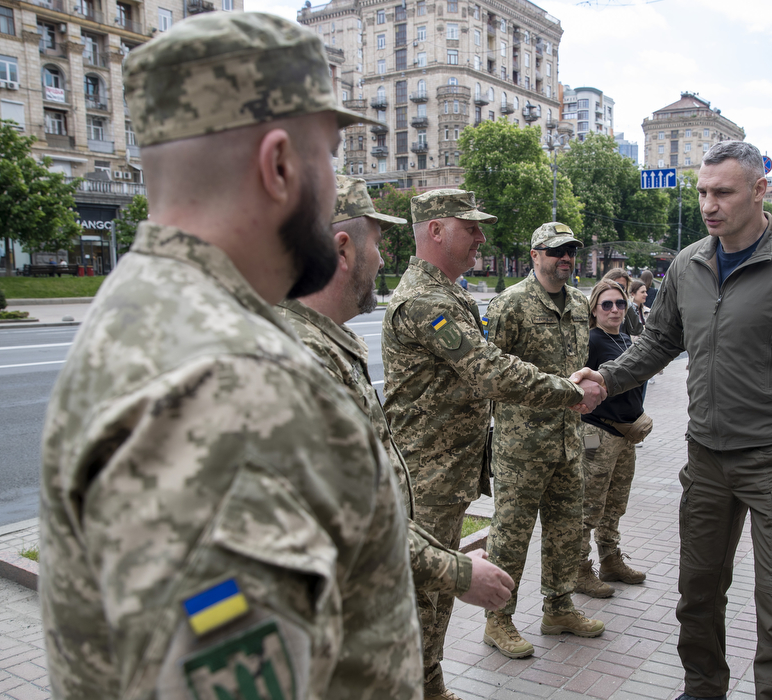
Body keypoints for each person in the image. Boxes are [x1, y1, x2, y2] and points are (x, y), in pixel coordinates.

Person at [39, 13, 423, 700]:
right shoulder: (234, 388)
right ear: (279, 165)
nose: (335, 187)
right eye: (329, 156)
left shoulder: (146, 306)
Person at [592, 141, 772, 700]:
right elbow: (657, 342)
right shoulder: (690, 264)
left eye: (723, 192)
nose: (709, 205)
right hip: (707, 462)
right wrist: (605, 380)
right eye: (702, 192)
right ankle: (702, 690)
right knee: (696, 597)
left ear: (760, 190)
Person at [382, 190, 607, 700]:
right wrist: (571, 392)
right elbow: (489, 369)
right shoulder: (426, 300)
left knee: (437, 591)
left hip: (450, 471)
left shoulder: (452, 293)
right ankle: (419, 683)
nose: (482, 237)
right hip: (428, 476)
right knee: (427, 592)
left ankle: (431, 680)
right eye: (471, 227)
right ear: (436, 230)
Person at [278, 175, 515, 614]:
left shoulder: (321, 341)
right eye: (378, 244)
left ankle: (429, 683)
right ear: (342, 248)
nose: (383, 257)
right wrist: (459, 572)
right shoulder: (303, 354)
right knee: (420, 607)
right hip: (335, 614)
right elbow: (351, 512)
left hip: (407, 516)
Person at [482, 222, 605, 659]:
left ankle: (558, 608)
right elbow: (489, 375)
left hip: (568, 442)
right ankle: (498, 620)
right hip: (521, 449)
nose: (565, 258)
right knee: (511, 537)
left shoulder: (578, 302)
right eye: (555, 251)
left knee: (566, 531)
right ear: (534, 255)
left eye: (571, 250)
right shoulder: (509, 305)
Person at [576, 279, 649, 600]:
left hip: (624, 437)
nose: (615, 310)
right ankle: (577, 568)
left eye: (620, 304)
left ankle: (610, 559)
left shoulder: (625, 339)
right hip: (594, 434)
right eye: (607, 304)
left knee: (615, 502)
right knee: (589, 501)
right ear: (594, 309)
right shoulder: (591, 340)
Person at [603, 267, 643, 335]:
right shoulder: (598, 304)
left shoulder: (629, 306)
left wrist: (626, 304)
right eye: (616, 286)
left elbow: (637, 330)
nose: (619, 289)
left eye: (622, 287)